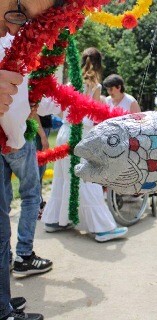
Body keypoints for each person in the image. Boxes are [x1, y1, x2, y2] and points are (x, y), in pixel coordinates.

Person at [0, 1, 65, 319]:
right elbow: (19, 101)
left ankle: (3, 298)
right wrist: (18, 138)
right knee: (28, 197)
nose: (14, 27)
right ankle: (23, 257)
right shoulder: (16, 43)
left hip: (15, 135)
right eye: (18, 9)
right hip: (15, 139)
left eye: (24, 19)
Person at [40, 47, 128, 242]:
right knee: (88, 179)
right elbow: (96, 116)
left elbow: (62, 112)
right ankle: (102, 228)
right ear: (99, 64)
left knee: (63, 177)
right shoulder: (95, 87)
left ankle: (55, 220)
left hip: (65, 132)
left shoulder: (72, 83)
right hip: (81, 135)